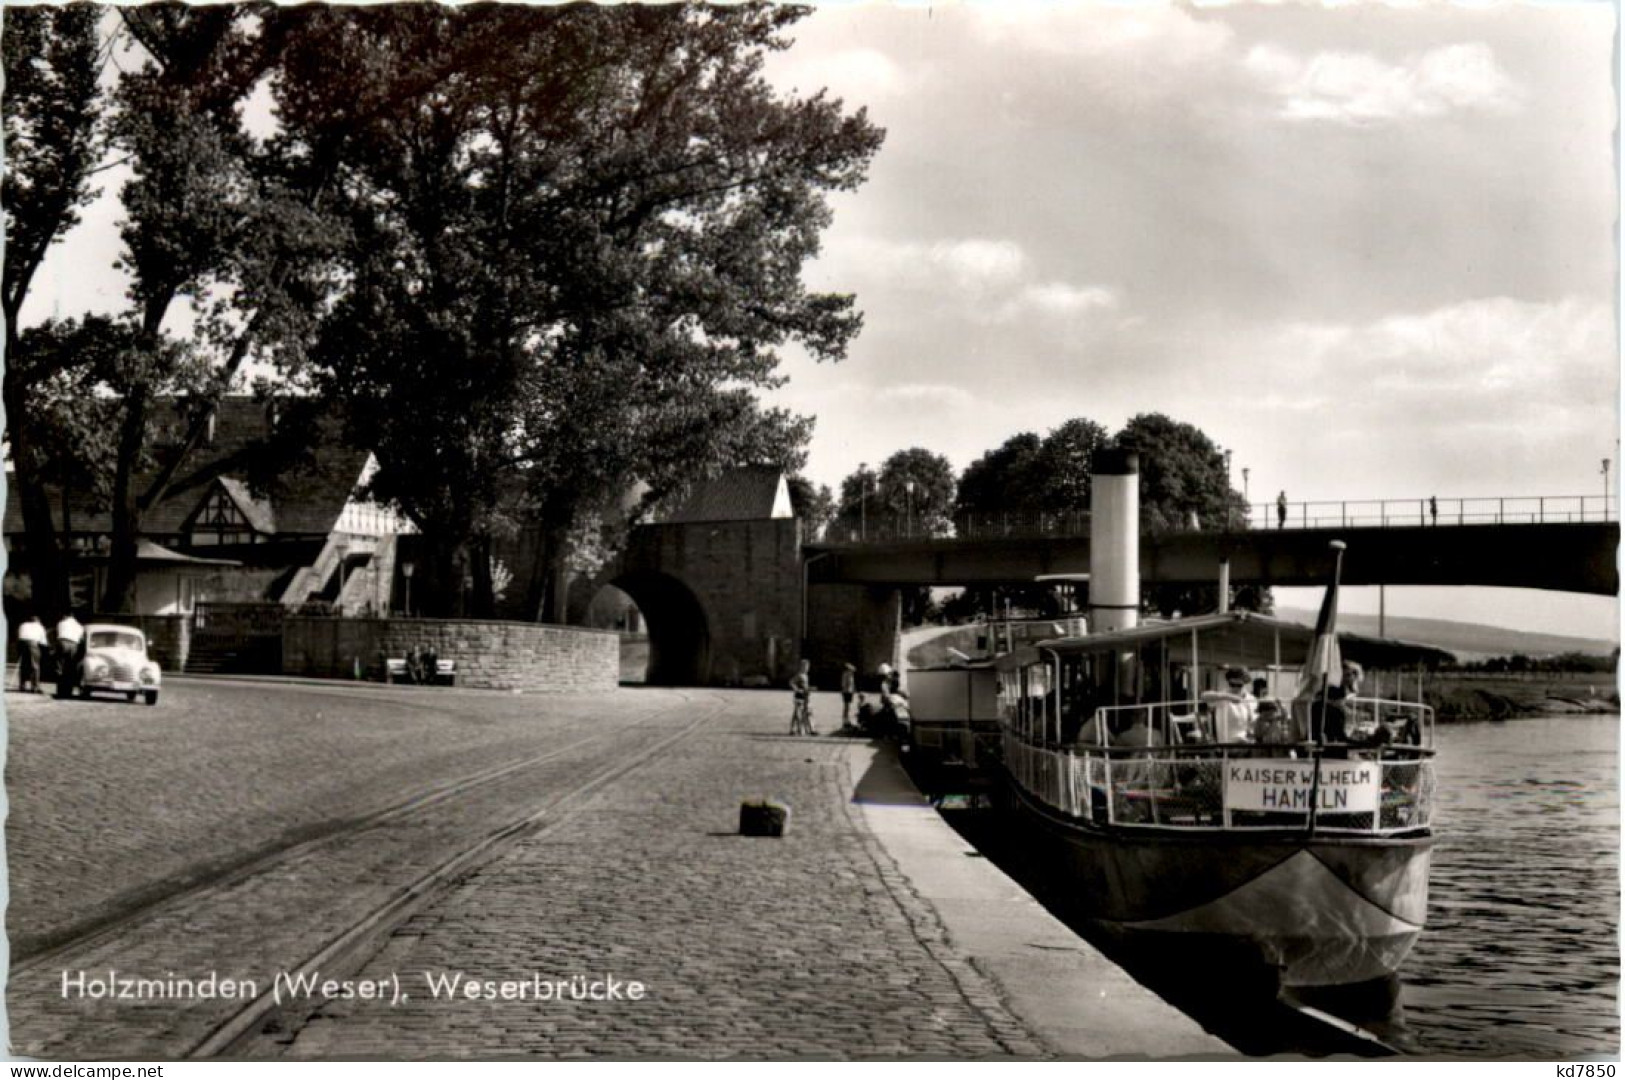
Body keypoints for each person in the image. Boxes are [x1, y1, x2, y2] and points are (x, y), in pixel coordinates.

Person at [1202, 667, 1256, 743]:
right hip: (1227, 742)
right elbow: (1204, 696)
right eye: (1232, 684)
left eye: (1239, 685)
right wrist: (1229, 697)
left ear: (1245, 684)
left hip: (1245, 740)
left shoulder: (1251, 699)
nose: (1235, 688)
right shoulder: (1222, 697)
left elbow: (1253, 721)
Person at [53, 611, 84, 699]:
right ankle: (68, 691)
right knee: (70, 667)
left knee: (60, 667)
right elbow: (81, 638)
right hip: (74, 644)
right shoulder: (79, 626)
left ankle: (60, 690)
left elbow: (57, 633)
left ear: (66, 616)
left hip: (62, 642)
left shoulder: (61, 623)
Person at [17, 614, 46, 693]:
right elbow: (43, 642)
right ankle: (35, 687)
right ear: (38, 621)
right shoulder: (40, 627)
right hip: (32, 644)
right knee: (35, 666)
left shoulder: (23, 625)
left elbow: (19, 636)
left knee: (23, 665)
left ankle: (22, 685)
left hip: (22, 644)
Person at [789, 659, 814, 736]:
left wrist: (809, 689)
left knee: (803, 713)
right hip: (799, 697)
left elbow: (805, 686)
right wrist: (797, 689)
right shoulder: (799, 675)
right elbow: (791, 682)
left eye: (808, 667)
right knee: (797, 713)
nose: (807, 668)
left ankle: (803, 729)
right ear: (801, 667)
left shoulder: (806, 676)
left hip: (805, 696)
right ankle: (795, 729)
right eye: (805, 667)